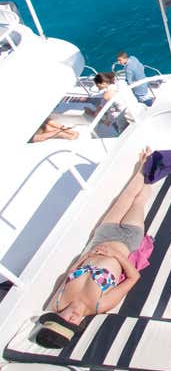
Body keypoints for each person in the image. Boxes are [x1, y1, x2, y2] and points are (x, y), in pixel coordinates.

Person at [36, 148, 154, 348]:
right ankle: (152, 168)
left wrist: (87, 255)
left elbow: (70, 272)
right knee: (139, 201)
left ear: (56, 317)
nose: (73, 319)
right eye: (73, 325)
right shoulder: (99, 305)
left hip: (101, 237)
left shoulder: (57, 302)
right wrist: (116, 254)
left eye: (65, 320)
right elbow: (134, 277)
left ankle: (144, 165)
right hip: (126, 242)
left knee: (125, 197)